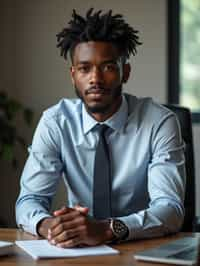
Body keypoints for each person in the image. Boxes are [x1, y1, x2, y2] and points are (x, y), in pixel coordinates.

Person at [16, 8, 185, 248]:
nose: (95, 78)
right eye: (84, 69)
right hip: (75, 251)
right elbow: (29, 200)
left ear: (124, 72)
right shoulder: (55, 122)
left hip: (142, 247)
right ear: (73, 75)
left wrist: (107, 229)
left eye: (107, 67)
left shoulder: (159, 122)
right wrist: (53, 227)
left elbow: (171, 209)